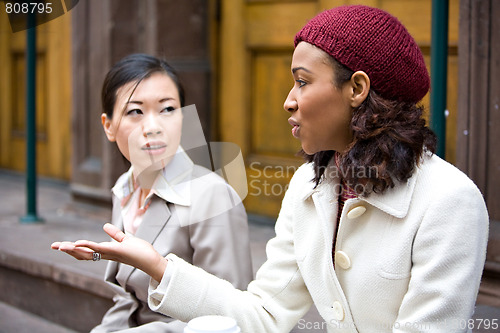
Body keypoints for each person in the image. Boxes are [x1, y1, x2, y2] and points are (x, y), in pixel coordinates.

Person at [52, 6, 489, 332]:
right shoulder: (309, 186)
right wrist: (158, 265)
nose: (288, 100)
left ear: (356, 88)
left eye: (302, 80)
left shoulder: (450, 202)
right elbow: (263, 314)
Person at [52, 53, 253, 332]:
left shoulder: (213, 197)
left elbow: (229, 316)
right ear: (108, 126)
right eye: (135, 111)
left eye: (168, 109)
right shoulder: (125, 188)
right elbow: (129, 299)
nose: (154, 126)